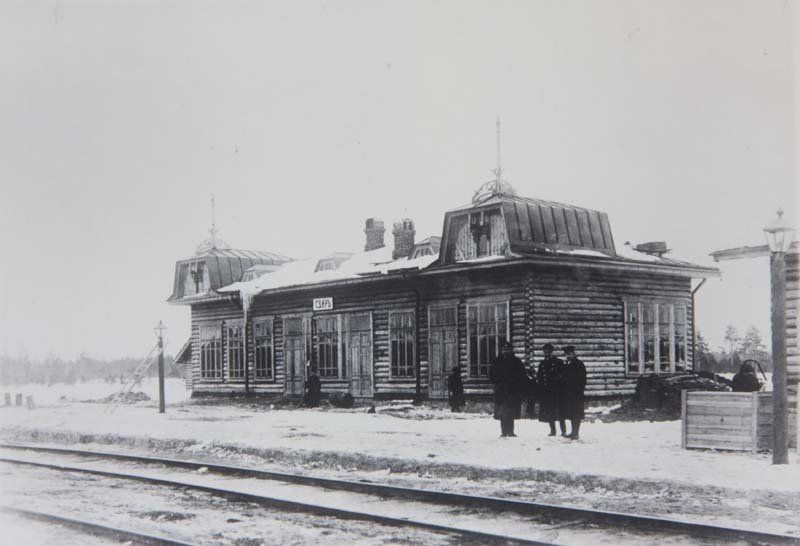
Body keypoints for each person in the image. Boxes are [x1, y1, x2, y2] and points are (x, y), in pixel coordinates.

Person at [489, 340, 529, 437]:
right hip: (501, 390)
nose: (505, 351)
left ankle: (510, 431)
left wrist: (519, 387)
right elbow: (491, 374)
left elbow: (522, 375)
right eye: (503, 349)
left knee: (511, 411)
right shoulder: (496, 361)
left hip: (512, 391)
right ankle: (503, 432)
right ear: (501, 350)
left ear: (511, 350)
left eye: (507, 349)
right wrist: (497, 383)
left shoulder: (516, 362)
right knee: (502, 412)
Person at [537, 343, 566, 436]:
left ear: (552, 351)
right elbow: (540, 378)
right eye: (545, 351)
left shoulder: (558, 362)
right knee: (550, 411)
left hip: (557, 391)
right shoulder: (542, 364)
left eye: (548, 351)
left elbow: (563, 375)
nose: (546, 352)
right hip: (546, 391)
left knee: (560, 411)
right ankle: (553, 430)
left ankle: (563, 431)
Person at [561, 346, 587, 440]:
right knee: (571, 413)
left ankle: (576, 433)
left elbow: (582, 379)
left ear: (573, 353)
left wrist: (578, 390)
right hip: (568, 394)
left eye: (569, 353)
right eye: (566, 354)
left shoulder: (579, 364)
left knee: (576, 413)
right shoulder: (566, 364)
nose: (568, 355)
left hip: (576, 393)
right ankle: (573, 432)